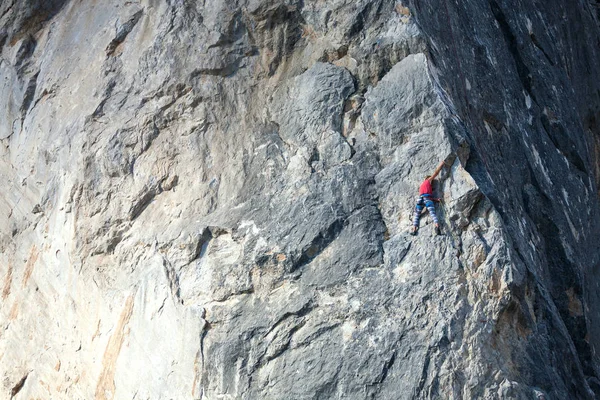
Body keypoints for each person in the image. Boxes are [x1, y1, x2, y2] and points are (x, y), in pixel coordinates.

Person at [411, 160, 445, 235]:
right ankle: (437, 226)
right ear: (428, 178)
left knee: (417, 214)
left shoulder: (422, 185)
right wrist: (441, 165)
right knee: (432, 213)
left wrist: (436, 199)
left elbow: (425, 196)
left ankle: (414, 229)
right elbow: (436, 173)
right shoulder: (428, 181)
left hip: (420, 199)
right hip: (427, 199)